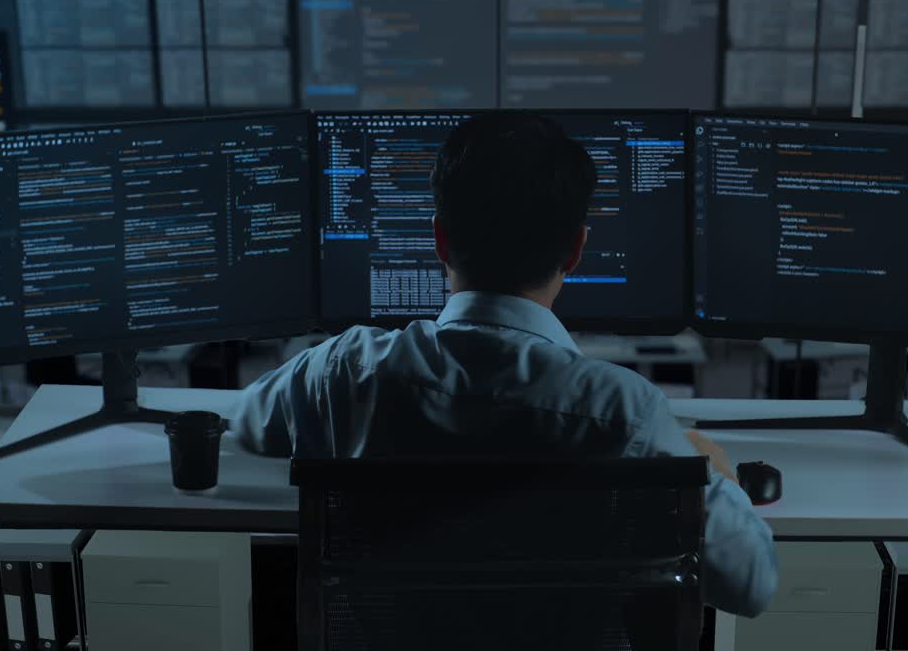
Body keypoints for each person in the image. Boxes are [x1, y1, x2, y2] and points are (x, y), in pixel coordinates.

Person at [231, 111, 778, 619]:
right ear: (576, 251)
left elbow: (250, 424)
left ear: (440, 238)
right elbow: (750, 586)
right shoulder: (623, 413)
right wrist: (713, 474)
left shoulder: (347, 368)